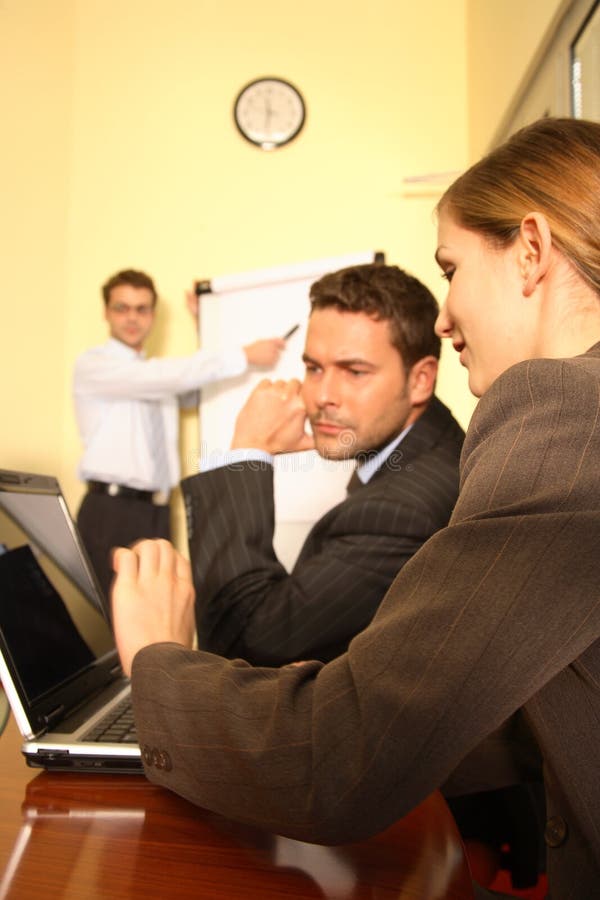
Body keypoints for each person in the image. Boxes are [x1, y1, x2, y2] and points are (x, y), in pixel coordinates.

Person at [110, 118, 600, 899]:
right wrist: (355, 687)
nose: (446, 313)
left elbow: (334, 754)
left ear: (533, 251)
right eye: (312, 367)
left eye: (452, 269)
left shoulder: (557, 412)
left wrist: (151, 664)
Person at [183, 263, 464, 665]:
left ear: (420, 380)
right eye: (314, 368)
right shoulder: (424, 446)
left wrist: (248, 450)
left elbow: (244, 645)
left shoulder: (402, 512)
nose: (322, 395)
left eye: (354, 371)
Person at [74, 268, 284, 598]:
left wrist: (206, 326)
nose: (132, 317)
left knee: (159, 611)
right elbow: (169, 376)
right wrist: (244, 355)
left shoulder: (159, 376)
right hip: (110, 512)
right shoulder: (95, 366)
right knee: (111, 619)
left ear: (153, 314)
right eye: (121, 307)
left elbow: (193, 387)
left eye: (142, 308)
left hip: (156, 513)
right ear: (106, 312)